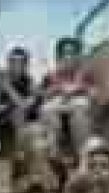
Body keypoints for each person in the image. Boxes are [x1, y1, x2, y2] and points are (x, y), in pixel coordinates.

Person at [37, 36, 96, 166]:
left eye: (72, 53)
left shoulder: (85, 74)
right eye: (65, 53)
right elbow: (42, 98)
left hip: (78, 108)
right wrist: (57, 89)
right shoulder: (50, 76)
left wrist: (79, 88)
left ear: (77, 56)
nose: (68, 57)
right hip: (57, 109)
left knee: (80, 109)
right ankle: (54, 157)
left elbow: (93, 95)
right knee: (47, 110)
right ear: (59, 56)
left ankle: (82, 157)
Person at [0, 45, 39, 158]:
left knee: (18, 112)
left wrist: (7, 86)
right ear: (8, 62)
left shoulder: (29, 81)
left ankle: (20, 154)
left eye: (20, 62)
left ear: (25, 64)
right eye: (13, 61)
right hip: (0, 117)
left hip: (21, 117)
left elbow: (26, 104)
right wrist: (9, 106)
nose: (16, 65)